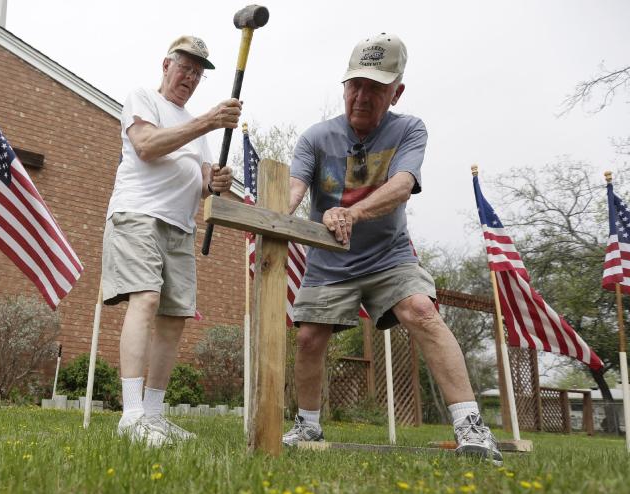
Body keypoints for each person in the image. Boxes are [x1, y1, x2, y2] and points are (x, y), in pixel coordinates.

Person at [284, 33, 503, 464]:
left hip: (389, 255)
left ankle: (471, 428)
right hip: (328, 260)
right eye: (355, 86)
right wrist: (273, 211)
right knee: (309, 337)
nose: (362, 97)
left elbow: (402, 185)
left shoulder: (409, 129)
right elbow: (291, 192)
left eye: (376, 88)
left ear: (396, 91)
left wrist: (350, 213)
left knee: (422, 310)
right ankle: (307, 424)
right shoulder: (315, 138)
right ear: (343, 86)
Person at [102, 36, 240, 446]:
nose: (191, 78)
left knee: (175, 318)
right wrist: (207, 122)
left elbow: (201, 185)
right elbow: (145, 146)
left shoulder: (198, 130)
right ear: (166, 65)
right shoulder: (143, 98)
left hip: (180, 227)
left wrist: (216, 182)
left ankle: (155, 416)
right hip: (138, 215)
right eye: (185, 68)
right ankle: (131, 416)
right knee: (145, 298)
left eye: (198, 73)